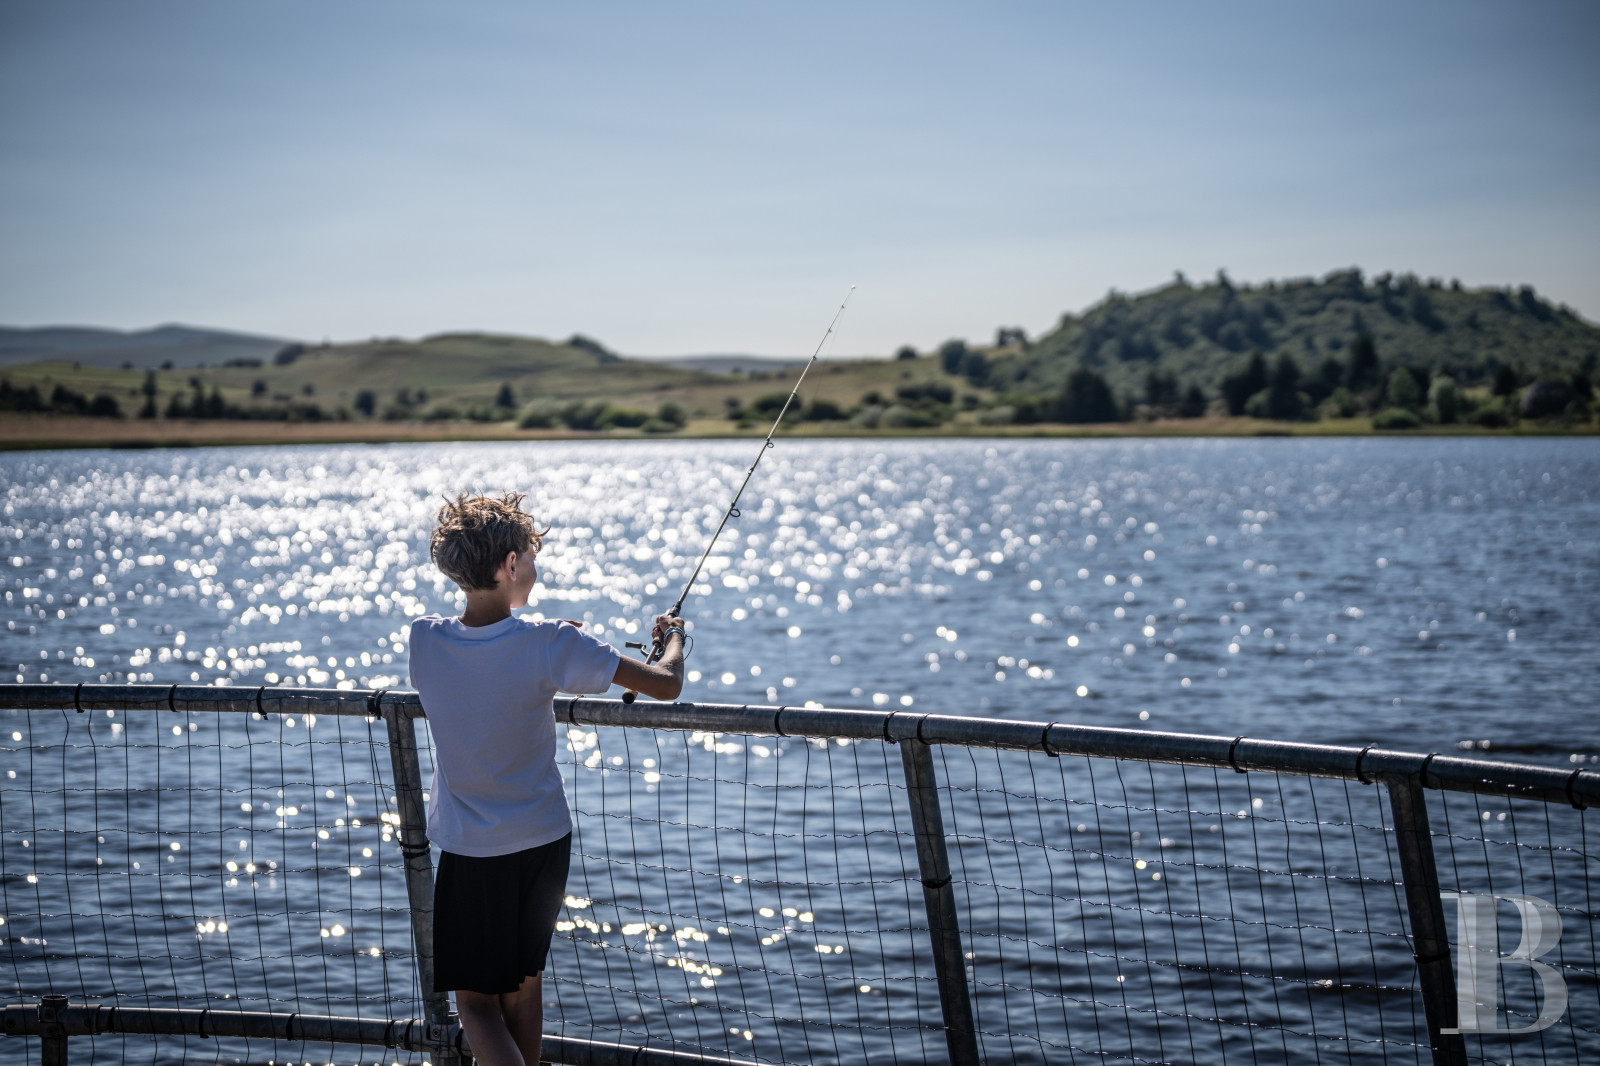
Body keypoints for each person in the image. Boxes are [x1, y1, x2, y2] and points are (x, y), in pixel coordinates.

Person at [407, 492, 686, 1066]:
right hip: (542, 842)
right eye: (530, 558)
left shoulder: (424, 641)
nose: (534, 569)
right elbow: (665, 683)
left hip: (471, 848)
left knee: (474, 1004)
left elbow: (488, 655)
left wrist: (547, 635)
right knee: (522, 986)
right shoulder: (552, 642)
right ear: (510, 565)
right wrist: (674, 637)